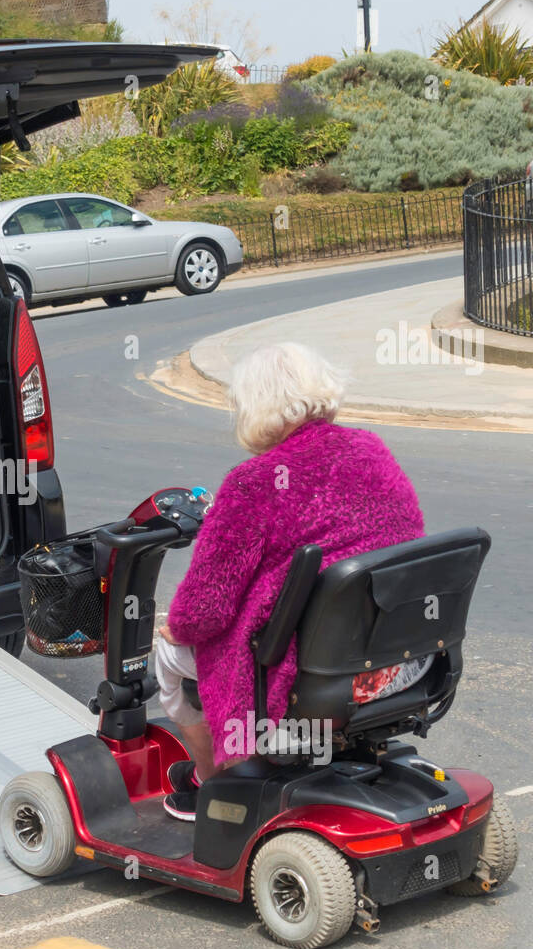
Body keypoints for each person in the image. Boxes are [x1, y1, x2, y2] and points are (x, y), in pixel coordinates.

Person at [155, 342, 424, 821]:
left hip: (314, 675)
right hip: (399, 659)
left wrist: (177, 627)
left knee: (169, 653)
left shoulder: (252, 483)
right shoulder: (372, 451)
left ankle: (212, 781)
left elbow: (204, 611)